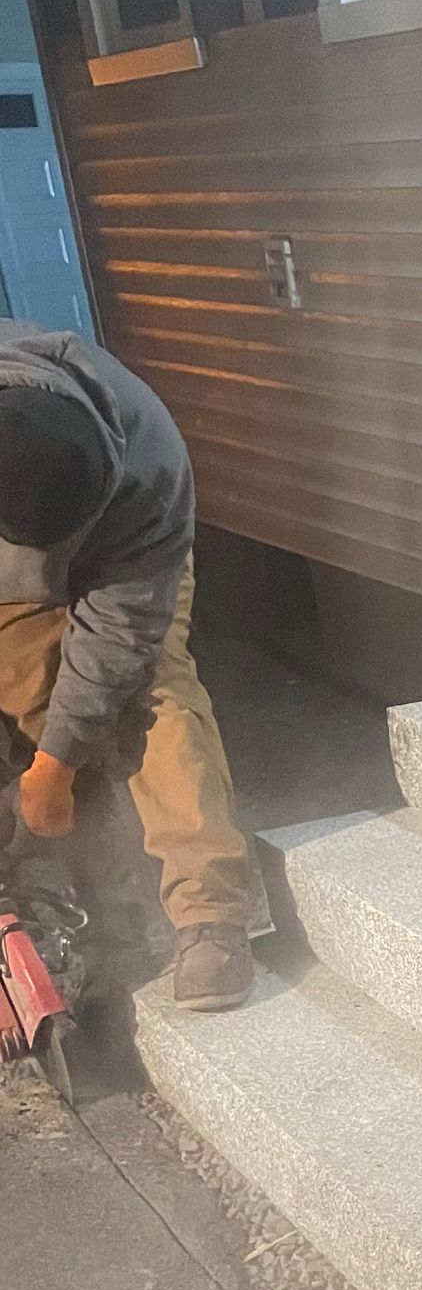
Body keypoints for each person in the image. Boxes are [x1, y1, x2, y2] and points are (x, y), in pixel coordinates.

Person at [0, 323, 253, 1009]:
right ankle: (93, 882)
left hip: (126, 563)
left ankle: (212, 912)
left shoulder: (148, 464)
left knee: (149, 695)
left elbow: (119, 641)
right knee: (32, 695)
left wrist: (52, 767)